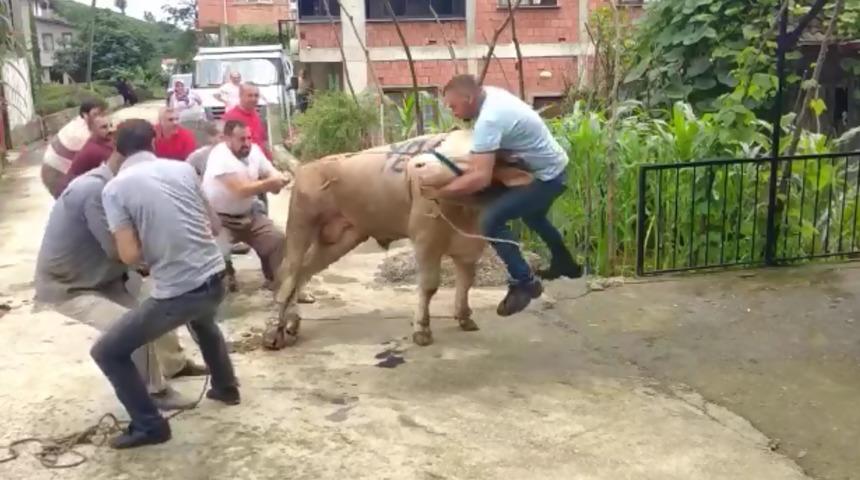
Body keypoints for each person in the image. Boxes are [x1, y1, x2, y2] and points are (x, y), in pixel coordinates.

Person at [93, 119, 239, 449]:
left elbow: (129, 256)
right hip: (216, 277)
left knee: (108, 351)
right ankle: (226, 387)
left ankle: (149, 425)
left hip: (179, 292)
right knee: (203, 321)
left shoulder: (114, 188)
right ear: (154, 143)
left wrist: (152, 243)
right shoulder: (183, 170)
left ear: (117, 148)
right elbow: (214, 226)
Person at [34, 138, 207, 414]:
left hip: (103, 278)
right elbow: (118, 250)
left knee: (156, 304)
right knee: (131, 326)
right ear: (122, 159)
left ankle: (173, 365)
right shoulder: (95, 191)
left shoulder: (114, 184)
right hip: (70, 286)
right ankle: (155, 392)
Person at [431, 74, 583, 317]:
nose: (452, 112)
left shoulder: (489, 119)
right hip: (557, 166)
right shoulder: (491, 95)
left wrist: (441, 192)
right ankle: (564, 262)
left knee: (491, 220)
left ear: (469, 97)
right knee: (534, 217)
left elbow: (479, 177)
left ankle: (523, 282)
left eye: (454, 106)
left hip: (548, 178)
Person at [202, 119, 291, 289]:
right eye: (242, 139)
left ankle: (277, 280)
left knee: (277, 240)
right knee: (217, 254)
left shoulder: (254, 151)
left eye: (249, 138)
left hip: (249, 214)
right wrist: (270, 184)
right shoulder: (219, 156)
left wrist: (280, 179)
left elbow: (271, 173)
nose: (247, 144)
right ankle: (227, 274)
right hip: (219, 219)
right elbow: (240, 190)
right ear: (227, 139)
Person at [42, 99, 107, 199]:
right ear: (85, 115)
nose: (100, 118)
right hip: (56, 173)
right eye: (96, 114)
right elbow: (100, 153)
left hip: (59, 168)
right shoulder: (80, 133)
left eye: (102, 114)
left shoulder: (83, 123)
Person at [57, 114, 115, 194]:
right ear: (92, 130)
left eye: (111, 125)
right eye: (104, 127)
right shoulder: (93, 150)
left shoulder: (107, 142)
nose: (110, 130)